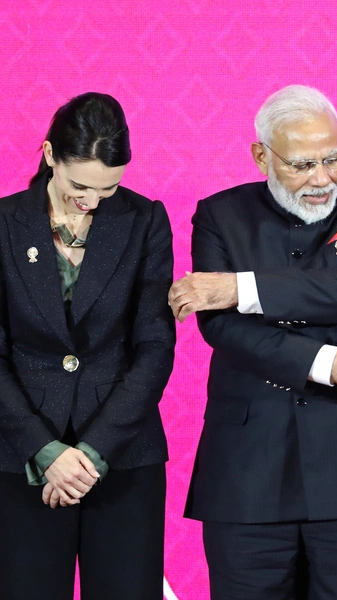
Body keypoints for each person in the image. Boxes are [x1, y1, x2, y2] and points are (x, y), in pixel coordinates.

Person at [170, 84, 337, 600]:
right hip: (247, 467)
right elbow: (221, 327)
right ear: (261, 156)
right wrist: (330, 363)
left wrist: (240, 287)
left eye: (332, 159)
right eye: (302, 165)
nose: (322, 179)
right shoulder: (219, 214)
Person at [0, 92, 175, 599]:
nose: (92, 201)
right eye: (80, 185)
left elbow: (155, 345)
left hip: (123, 455)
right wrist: (46, 451)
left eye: (109, 188)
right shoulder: (4, 224)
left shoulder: (144, 220)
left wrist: (93, 453)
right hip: (19, 454)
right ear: (50, 154)